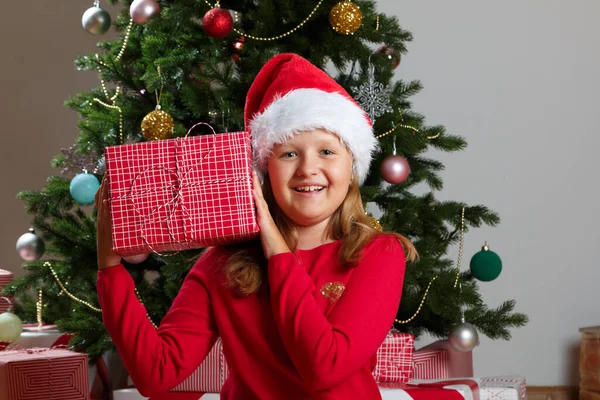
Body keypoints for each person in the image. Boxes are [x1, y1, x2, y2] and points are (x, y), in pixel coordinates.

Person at [95, 53, 417, 400]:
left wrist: (278, 252)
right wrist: (109, 269)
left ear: (351, 167)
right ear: (264, 171)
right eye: (289, 154)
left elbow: (324, 367)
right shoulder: (222, 262)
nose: (308, 169)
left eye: (327, 151)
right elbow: (155, 373)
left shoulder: (379, 253)